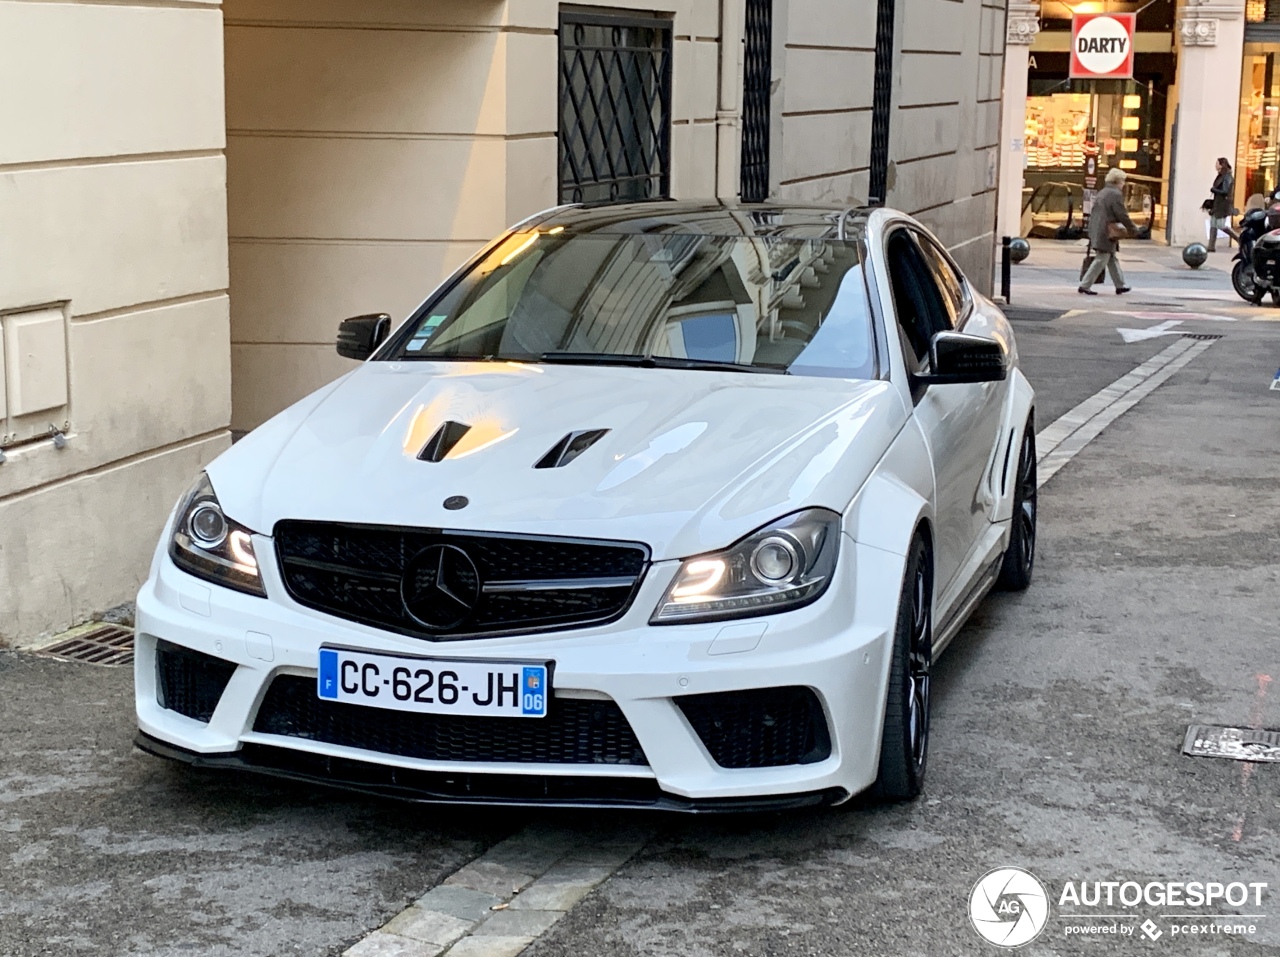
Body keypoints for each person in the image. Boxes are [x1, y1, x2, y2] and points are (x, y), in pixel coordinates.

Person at [1078, 167, 1137, 295]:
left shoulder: (1103, 192)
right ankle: (1085, 285)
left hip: (1099, 229)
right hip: (1106, 231)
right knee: (1102, 258)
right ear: (1117, 181)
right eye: (1122, 181)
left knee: (1111, 258)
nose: (1124, 184)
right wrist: (1133, 229)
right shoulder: (1115, 194)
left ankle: (1120, 284)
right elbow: (1122, 214)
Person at [1206, 157, 1238, 252]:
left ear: (1221, 165)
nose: (1215, 165)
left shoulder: (1227, 177)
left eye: (1217, 163)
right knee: (1213, 224)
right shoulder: (1221, 175)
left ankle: (1238, 238)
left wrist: (1213, 190)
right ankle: (1211, 246)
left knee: (1220, 225)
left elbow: (1225, 191)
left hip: (1222, 204)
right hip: (1218, 203)